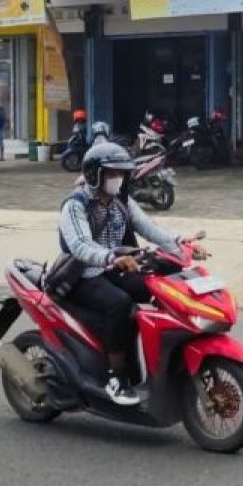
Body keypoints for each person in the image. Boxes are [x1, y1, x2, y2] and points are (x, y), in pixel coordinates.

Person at [58, 141, 206, 406]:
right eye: (112, 173)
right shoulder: (75, 205)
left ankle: (164, 357)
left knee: (155, 285)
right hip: (84, 274)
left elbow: (150, 229)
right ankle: (118, 377)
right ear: (95, 175)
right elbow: (79, 245)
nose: (118, 178)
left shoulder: (120, 202)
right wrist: (110, 257)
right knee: (120, 304)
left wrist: (183, 243)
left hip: (117, 267)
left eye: (121, 173)